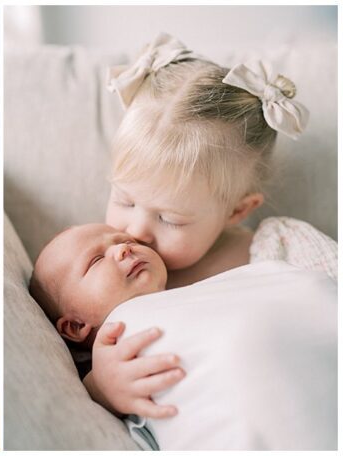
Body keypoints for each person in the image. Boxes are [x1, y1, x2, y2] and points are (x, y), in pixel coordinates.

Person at [90, 33, 336, 420]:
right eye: (124, 199)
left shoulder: (281, 246)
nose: (136, 231)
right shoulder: (111, 266)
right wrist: (99, 385)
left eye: (170, 218)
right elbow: (76, 342)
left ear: (237, 211)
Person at [29, 223, 336, 450]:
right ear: (74, 327)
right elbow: (88, 389)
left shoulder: (199, 293)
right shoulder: (111, 346)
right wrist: (100, 386)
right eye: (96, 260)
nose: (124, 248)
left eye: (125, 240)